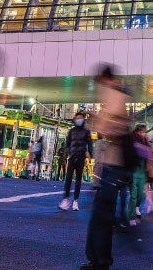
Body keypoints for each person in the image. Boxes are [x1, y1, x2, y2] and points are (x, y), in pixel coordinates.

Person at [83, 64, 132, 270]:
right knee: (102, 213)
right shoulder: (117, 95)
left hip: (113, 164)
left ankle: (100, 261)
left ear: (106, 80)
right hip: (112, 164)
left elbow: (109, 129)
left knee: (102, 214)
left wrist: (95, 121)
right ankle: (99, 259)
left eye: (100, 83)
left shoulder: (114, 96)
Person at [61, 109, 93, 211]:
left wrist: (89, 153)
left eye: (81, 118)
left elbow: (90, 143)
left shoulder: (86, 131)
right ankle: (66, 199)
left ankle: (75, 201)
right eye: (77, 118)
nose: (79, 119)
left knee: (78, 180)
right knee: (68, 179)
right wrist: (68, 152)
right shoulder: (71, 131)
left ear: (83, 119)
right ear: (75, 119)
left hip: (81, 158)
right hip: (72, 157)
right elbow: (67, 143)